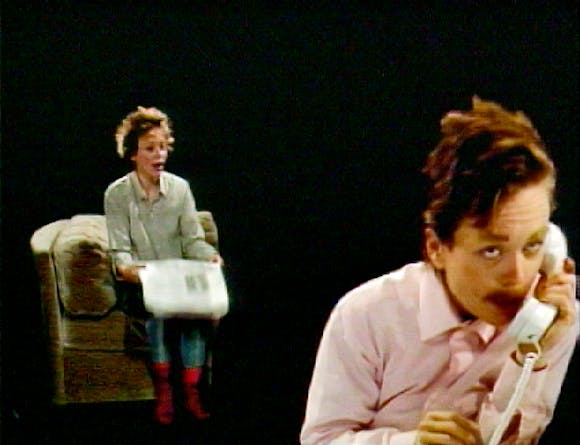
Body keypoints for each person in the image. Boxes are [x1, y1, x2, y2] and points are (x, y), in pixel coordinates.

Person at [300, 97, 578, 444]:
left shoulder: (552, 317)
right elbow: (322, 440)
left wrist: (532, 357)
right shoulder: (366, 315)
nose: (518, 276)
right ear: (436, 247)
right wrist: (411, 442)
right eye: (492, 251)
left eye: (532, 246)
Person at [104, 106, 223, 425]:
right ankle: (165, 392)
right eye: (150, 148)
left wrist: (208, 256)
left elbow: (192, 240)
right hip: (143, 283)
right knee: (157, 317)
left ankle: (192, 392)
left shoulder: (180, 188)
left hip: (178, 280)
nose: (159, 155)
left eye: (163, 147)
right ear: (133, 154)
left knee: (196, 314)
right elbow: (120, 251)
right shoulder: (117, 194)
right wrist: (131, 271)